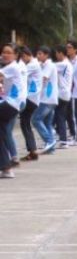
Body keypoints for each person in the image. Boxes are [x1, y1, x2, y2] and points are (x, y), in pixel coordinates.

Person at [0, 43, 24, 178]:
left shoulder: (13, 67)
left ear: (15, 56)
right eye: (4, 52)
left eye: (9, 52)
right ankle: (6, 169)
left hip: (11, 104)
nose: (5, 54)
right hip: (9, 104)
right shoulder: (9, 68)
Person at [31, 46, 58, 154]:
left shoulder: (49, 65)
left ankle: (49, 140)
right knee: (47, 123)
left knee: (35, 119)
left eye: (40, 54)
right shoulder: (43, 65)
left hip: (47, 98)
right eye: (37, 54)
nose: (38, 56)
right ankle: (51, 148)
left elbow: (43, 78)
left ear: (46, 55)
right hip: (49, 99)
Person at [18, 45, 41, 161]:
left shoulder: (32, 65)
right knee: (25, 124)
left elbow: (19, 73)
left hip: (31, 99)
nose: (22, 60)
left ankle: (32, 150)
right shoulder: (33, 63)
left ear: (26, 55)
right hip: (32, 98)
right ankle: (32, 150)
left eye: (22, 57)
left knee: (25, 124)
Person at [53, 45, 72, 149]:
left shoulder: (63, 64)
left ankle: (62, 140)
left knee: (58, 117)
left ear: (61, 53)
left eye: (56, 53)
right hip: (64, 94)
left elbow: (50, 67)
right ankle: (60, 138)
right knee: (59, 117)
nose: (56, 55)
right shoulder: (66, 64)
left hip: (62, 94)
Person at [65, 40, 77, 145]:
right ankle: (73, 134)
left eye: (69, 47)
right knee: (69, 115)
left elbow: (69, 73)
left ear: (75, 49)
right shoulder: (69, 60)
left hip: (75, 92)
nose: (67, 49)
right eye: (67, 47)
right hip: (69, 92)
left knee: (74, 115)